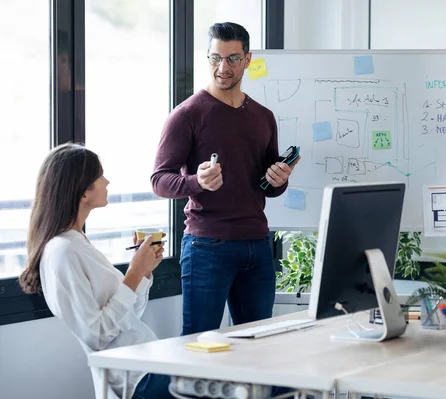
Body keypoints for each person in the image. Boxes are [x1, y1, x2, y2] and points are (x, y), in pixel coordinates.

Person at [151, 22, 299, 335]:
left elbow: (268, 188)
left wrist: (279, 179)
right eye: (216, 58)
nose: (223, 67)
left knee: (257, 343)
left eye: (232, 58)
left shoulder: (263, 116)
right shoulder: (187, 114)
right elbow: (159, 180)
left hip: (257, 245)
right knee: (198, 343)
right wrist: (196, 182)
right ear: (207, 58)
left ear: (247, 59)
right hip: (208, 246)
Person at [19, 143, 173, 399]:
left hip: (146, 363)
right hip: (134, 377)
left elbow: (128, 316)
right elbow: (97, 334)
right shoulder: (62, 251)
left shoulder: (77, 242)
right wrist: (134, 273)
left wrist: (144, 272)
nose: (107, 182)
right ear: (83, 193)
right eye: (101, 177)